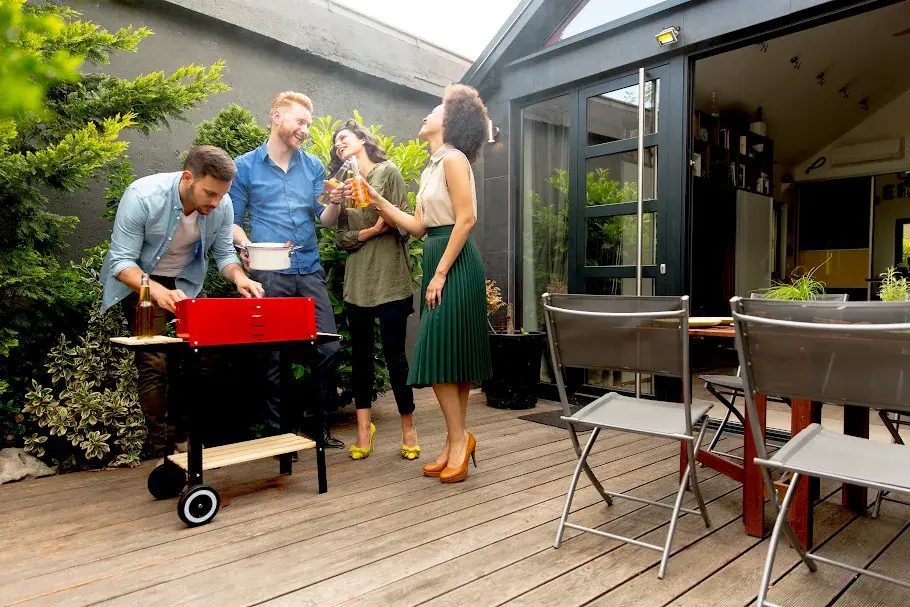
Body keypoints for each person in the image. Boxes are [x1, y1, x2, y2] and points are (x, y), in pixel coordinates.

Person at [342, 84, 492, 483]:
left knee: (440, 354)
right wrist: (376, 198)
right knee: (452, 358)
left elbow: (466, 219)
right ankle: (454, 440)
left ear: (451, 121)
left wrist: (440, 272)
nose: (427, 114)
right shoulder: (431, 167)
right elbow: (418, 226)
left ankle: (459, 440)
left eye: (436, 109)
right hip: (439, 253)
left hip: (455, 262)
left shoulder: (455, 160)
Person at [100, 145, 265, 459]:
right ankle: (160, 451)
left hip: (186, 285)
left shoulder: (222, 203)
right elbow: (121, 263)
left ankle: (188, 443)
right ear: (188, 178)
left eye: (221, 195)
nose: (216, 203)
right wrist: (159, 293)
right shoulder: (143, 196)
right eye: (210, 194)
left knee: (199, 361)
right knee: (154, 365)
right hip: (142, 285)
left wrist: (239, 277)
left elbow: (224, 255)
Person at [230, 91, 344, 449]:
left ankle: (316, 424)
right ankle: (278, 433)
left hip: (308, 267)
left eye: (309, 124)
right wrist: (245, 246)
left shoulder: (312, 166)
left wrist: (336, 204)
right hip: (269, 271)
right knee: (273, 355)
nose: (305, 130)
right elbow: (231, 222)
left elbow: (323, 219)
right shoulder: (244, 167)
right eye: (300, 122)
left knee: (327, 349)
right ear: (277, 117)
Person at [327, 120, 419, 461]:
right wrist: (370, 233)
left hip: (392, 280)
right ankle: (364, 430)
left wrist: (383, 218)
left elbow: (406, 225)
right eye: (335, 141)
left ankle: (408, 426)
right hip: (357, 284)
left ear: (363, 139)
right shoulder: (342, 186)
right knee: (361, 359)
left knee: (396, 357)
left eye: (344, 137)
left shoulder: (388, 172)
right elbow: (341, 239)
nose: (339, 144)